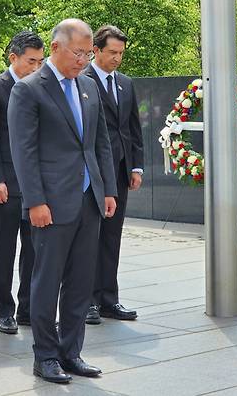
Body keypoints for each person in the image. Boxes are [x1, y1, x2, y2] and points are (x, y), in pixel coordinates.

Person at [8, 18, 117, 384]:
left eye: (88, 53)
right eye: (79, 52)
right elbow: (24, 152)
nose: (84, 60)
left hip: (88, 199)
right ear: (56, 47)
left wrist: (108, 190)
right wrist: (35, 201)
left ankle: (72, 352)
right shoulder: (29, 89)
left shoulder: (87, 87)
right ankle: (46, 356)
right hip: (51, 204)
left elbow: (99, 143)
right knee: (47, 280)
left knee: (81, 281)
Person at [0, 31, 44, 334]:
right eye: (31, 61)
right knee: (4, 249)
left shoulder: (41, 89)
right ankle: (4, 310)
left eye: (40, 62)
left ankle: (28, 308)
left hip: (34, 184)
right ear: (13, 57)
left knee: (34, 248)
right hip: (4, 182)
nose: (36, 67)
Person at [83, 25, 144, 325]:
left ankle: (109, 298)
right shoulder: (82, 80)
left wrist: (136, 166)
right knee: (89, 238)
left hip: (120, 169)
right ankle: (87, 301)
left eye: (121, 53)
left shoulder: (125, 84)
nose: (117, 58)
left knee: (111, 236)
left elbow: (133, 128)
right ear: (96, 50)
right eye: (112, 53)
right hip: (92, 171)